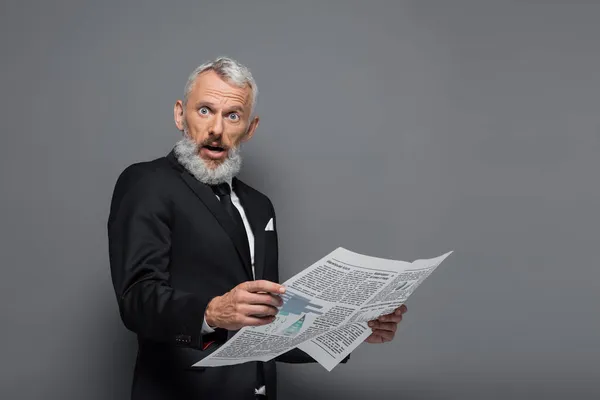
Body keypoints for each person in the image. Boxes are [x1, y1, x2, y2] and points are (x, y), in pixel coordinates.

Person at [107, 57, 407, 400]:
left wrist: (350, 329)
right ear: (180, 114)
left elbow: (270, 328)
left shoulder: (259, 205)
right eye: (205, 110)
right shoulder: (147, 183)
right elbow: (137, 300)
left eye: (232, 116)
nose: (216, 129)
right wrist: (210, 312)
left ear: (250, 128)